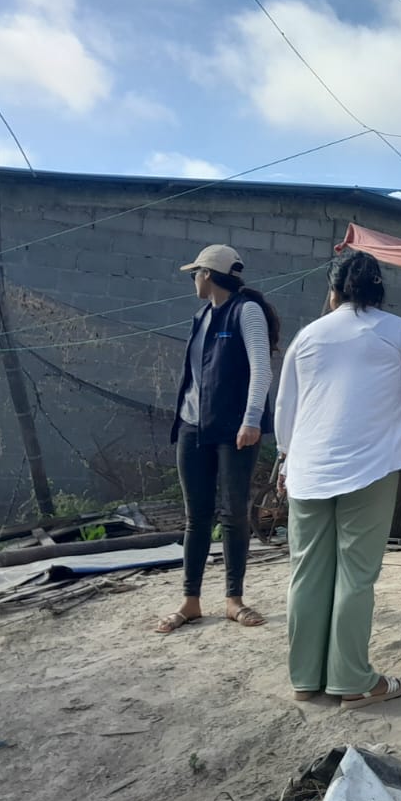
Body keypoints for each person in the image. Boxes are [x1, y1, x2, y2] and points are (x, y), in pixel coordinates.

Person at [274, 251, 401, 708]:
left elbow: (286, 405)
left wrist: (286, 459)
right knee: (355, 574)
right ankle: (352, 681)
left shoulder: (308, 336)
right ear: (378, 291)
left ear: (334, 291)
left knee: (306, 573)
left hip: (307, 468)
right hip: (370, 467)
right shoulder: (398, 331)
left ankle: (305, 679)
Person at [157, 244, 280, 634]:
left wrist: (251, 420)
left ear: (208, 274)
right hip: (192, 426)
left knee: (233, 513)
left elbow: (262, 368)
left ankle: (233, 600)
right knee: (196, 516)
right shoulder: (201, 316)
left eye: (196, 273)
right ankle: (190, 601)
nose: (194, 279)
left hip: (233, 429)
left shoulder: (246, 310)